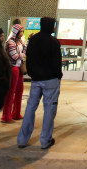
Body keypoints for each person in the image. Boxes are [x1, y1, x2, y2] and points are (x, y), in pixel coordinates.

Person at [17, 17, 62, 150]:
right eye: (53, 25)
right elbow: (57, 62)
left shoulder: (33, 40)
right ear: (50, 26)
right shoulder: (53, 41)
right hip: (51, 80)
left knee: (30, 108)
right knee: (49, 110)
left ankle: (22, 140)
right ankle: (45, 140)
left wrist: (32, 74)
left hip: (36, 80)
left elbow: (28, 58)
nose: (54, 27)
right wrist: (58, 75)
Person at [1, 23, 26, 123]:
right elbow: (14, 56)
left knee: (20, 90)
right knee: (11, 91)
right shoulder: (10, 42)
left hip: (19, 67)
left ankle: (16, 113)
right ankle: (6, 115)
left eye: (22, 31)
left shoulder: (20, 41)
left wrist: (28, 41)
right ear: (16, 32)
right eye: (20, 31)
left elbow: (24, 51)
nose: (22, 33)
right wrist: (22, 55)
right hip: (13, 68)